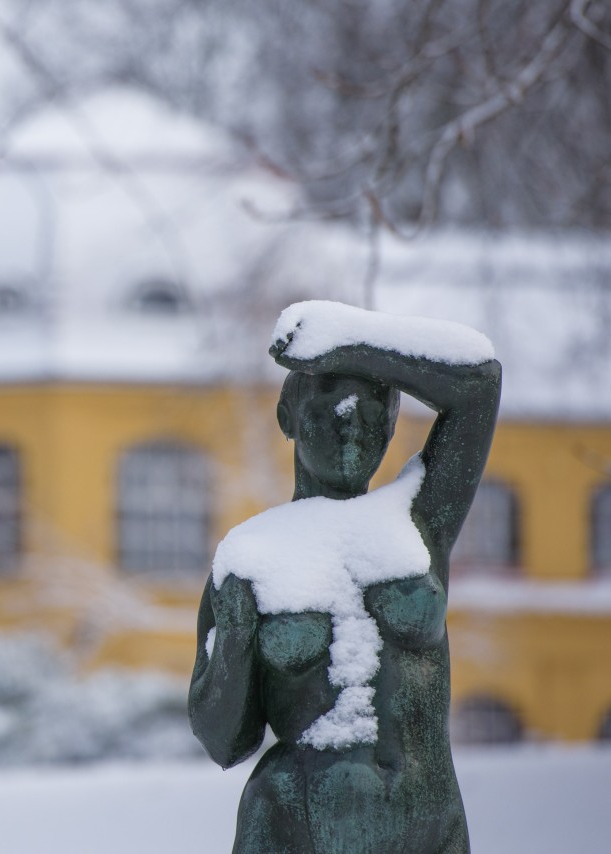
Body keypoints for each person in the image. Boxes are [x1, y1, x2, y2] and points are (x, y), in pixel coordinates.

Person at [189, 302, 501, 854]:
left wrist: (351, 345)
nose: (354, 413)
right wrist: (237, 637)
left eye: (377, 400)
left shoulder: (418, 522)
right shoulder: (251, 558)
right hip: (293, 822)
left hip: (427, 821)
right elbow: (223, 742)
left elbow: (478, 384)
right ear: (288, 417)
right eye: (330, 393)